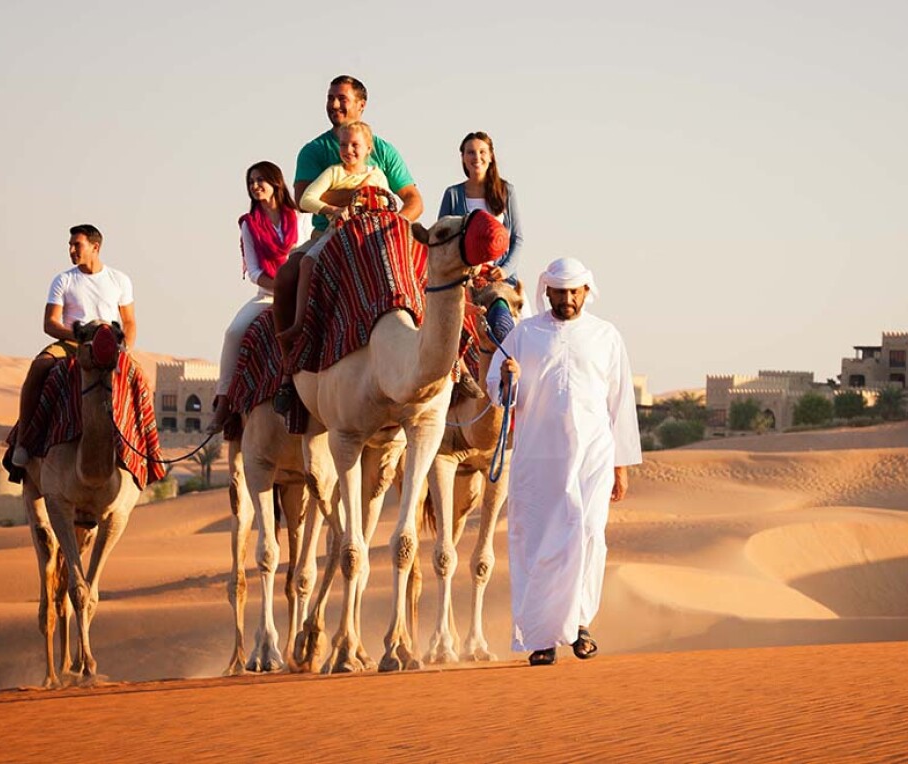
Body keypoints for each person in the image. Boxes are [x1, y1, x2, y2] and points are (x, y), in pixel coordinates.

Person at [485, 257, 642, 666]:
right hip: (537, 459)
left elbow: (620, 404)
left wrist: (620, 466)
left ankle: (582, 625)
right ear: (547, 291)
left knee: (589, 534)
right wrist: (507, 377)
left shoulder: (606, 336)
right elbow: (497, 392)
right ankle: (541, 638)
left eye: (575, 291)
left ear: (587, 292)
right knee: (536, 544)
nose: (568, 299)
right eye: (560, 291)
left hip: (593, 455)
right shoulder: (524, 335)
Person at [271, 74, 422, 346]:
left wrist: (393, 227)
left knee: (439, 275)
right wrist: (358, 196)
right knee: (285, 277)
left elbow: (413, 200)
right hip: (328, 233)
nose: (334, 104)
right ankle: (288, 366)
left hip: (381, 234)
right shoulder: (315, 151)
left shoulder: (383, 151)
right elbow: (302, 197)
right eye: (330, 98)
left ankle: (457, 366)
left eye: (342, 98)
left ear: (361, 105)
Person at [11, 224, 136, 466]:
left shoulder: (119, 280)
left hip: (109, 345)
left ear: (95, 247)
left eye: (76, 245)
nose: (71, 250)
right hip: (72, 342)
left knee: (140, 381)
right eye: (70, 245)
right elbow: (50, 323)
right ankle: (23, 442)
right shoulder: (64, 280)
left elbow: (129, 321)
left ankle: (145, 451)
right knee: (38, 368)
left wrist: (126, 347)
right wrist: (80, 337)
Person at [275, 121, 392, 348]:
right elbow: (306, 199)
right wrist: (333, 210)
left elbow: (388, 203)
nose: (348, 150)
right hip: (337, 233)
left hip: (369, 234)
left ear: (369, 148)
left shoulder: (377, 176)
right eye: (344, 145)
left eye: (355, 145)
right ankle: (300, 322)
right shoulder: (334, 172)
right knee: (308, 262)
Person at [206, 161, 299, 433]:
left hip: (299, 291)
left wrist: (291, 287)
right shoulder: (249, 225)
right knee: (234, 332)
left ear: (276, 182)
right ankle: (224, 404)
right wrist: (278, 287)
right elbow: (254, 271)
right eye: (251, 182)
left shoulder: (300, 218)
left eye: (260, 180)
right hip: (268, 295)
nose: (255, 186)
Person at [437, 131, 525, 292]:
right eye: (470, 152)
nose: (476, 157)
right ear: (463, 158)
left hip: (500, 281)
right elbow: (441, 238)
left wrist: (505, 270)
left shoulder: (507, 192)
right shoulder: (453, 194)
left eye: (482, 152)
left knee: (508, 315)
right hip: (463, 281)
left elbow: (517, 239)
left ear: (491, 156)